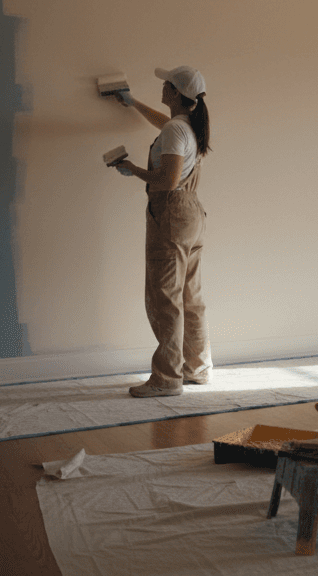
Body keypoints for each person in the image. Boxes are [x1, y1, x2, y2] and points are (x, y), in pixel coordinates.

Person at [110, 66, 212, 397]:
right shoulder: (188, 126)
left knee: (165, 297)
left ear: (175, 93)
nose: (162, 86)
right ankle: (197, 367)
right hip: (191, 214)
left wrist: (133, 170)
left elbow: (167, 181)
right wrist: (132, 103)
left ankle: (167, 378)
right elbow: (166, 125)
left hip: (170, 214)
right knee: (190, 296)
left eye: (167, 83)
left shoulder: (174, 130)